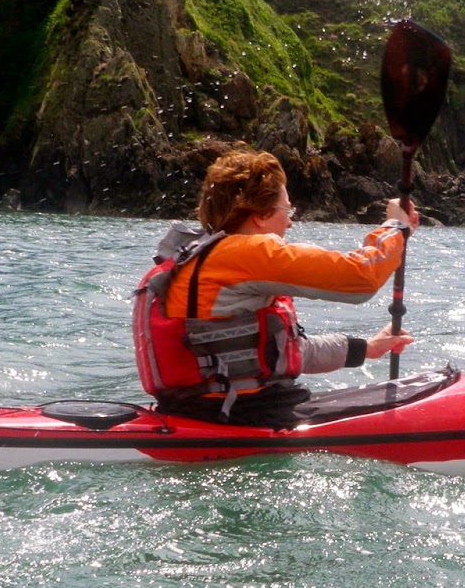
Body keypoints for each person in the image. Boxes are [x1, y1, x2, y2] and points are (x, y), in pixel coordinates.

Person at [132, 149, 419, 426]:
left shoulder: (196, 258)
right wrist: (396, 227)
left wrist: (366, 349)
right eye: (287, 209)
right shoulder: (247, 254)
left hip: (196, 411)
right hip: (247, 414)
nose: (290, 222)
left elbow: (283, 352)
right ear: (260, 214)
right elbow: (361, 278)